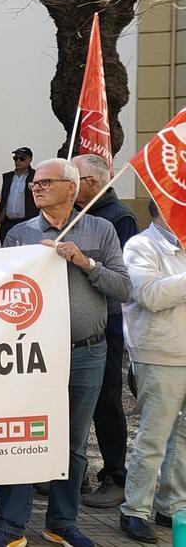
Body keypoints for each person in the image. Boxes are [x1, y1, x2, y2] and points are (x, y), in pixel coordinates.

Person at [0, 158, 131, 547]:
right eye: (34, 183)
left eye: (46, 182)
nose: (36, 187)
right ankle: (10, 526)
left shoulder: (101, 230)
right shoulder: (19, 234)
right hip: (31, 356)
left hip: (85, 352)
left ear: (72, 187)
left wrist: (85, 262)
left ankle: (61, 523)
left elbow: (124, 288)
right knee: (22, 436)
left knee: (73, 443)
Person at [72, 154, 139, 511]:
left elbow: (122, 278)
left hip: (106, 328)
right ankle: (72, 473)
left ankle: (114, 475)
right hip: (69, 327)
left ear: (94, 184)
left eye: (75, 178)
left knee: (107, 403)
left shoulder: (118, 218)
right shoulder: (73, 216)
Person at [118, 201, 186, 543]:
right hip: (159, 355)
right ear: (164, 208)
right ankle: (134, 510)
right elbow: (150, 295)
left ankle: (171, 505)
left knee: (184, 439)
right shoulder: (141, 245)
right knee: (153, 438)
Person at [0, 147, 37, 242]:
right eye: (16, 158)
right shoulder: (8, 177)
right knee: (4, 249)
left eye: (22, 158)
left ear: (30, 159)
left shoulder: (35, 176)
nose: (18, 161)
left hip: (27, 221)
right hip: (8, 222)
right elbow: (4, 198)